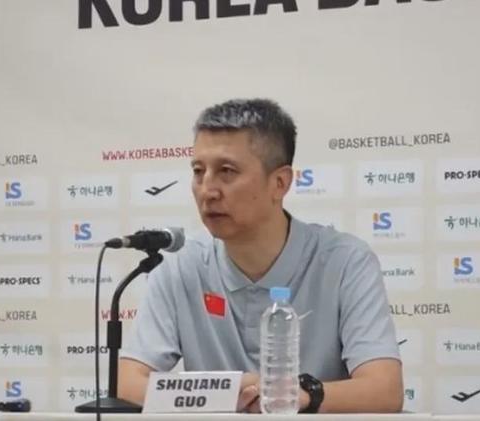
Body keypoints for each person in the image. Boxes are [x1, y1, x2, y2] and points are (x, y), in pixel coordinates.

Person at [118, 98, 403, 413]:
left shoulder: (346, 261)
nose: (207, 190)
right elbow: (127, 382)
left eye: (227, 171)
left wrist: (298, 395)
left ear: (280, 183)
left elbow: (384, 391)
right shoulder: (180, 266)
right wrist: (231, 392)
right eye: (198, 171)